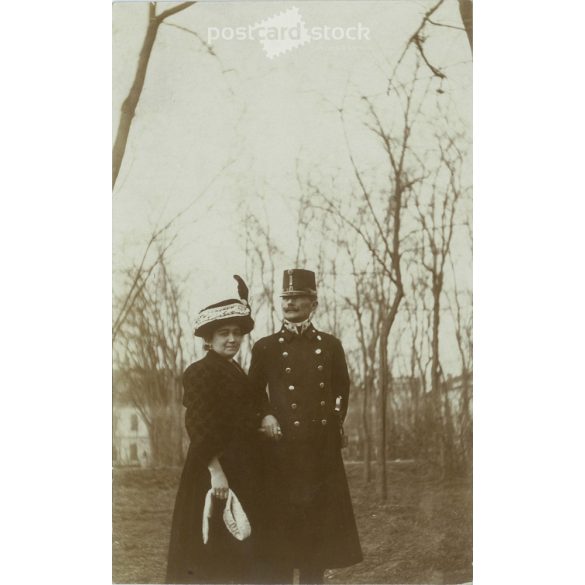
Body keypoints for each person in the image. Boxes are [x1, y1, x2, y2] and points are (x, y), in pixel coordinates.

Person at [249, 269, 363, 584]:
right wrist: (266, 414)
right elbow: (253, 392)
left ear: (313, 302)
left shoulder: (329, 345)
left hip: (319, 454)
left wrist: (335, 421)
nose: (290, 303)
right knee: (283, 539)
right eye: (285, 297)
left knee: (316, 539)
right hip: (281, 454)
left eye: (297, 297)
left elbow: (342, 388)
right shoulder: (266, 347)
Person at [166, 276, 264, 584]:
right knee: (212, 553)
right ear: (209, 338)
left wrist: (266, 417)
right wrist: (216, 471)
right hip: (213, 474)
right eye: (224, 333)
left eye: (237, 333)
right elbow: (198, 426)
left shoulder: (235, 370)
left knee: (237, 551)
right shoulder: (200, 372)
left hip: (243, 470)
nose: (232, 339)